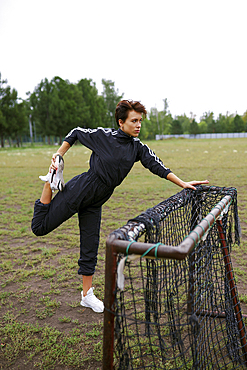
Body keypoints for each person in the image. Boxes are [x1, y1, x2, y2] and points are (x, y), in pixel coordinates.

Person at [31, 100, 209, 313]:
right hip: (81, 190)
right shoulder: (104, 137)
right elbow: (76, 132)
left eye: (140, 121)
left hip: (98, 200)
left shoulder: (137, 148)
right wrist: (59, 154)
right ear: (121, 122)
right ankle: (51, 179)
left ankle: (87, 295)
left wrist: (182, 183)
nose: (138, 125)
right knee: (39, 228)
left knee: (91, 244)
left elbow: (157, 165)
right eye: (134, 121)